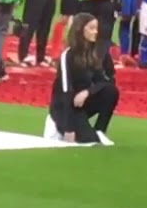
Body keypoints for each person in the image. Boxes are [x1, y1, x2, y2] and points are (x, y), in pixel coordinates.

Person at [46, 13, 119, 145]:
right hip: (63, 109)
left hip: (80, 104)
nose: (95, 32)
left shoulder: (92, 53)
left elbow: (105, 81)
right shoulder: (67, 56)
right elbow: (65, 92)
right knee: (88, 141)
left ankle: (100, 130)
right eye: (91, 28)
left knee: (111, 91)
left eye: (96, 28)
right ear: (80, 29)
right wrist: (68, 128)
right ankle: (58, 127)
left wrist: (88, 92)